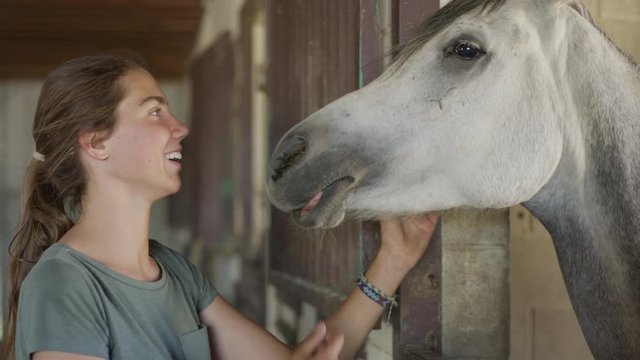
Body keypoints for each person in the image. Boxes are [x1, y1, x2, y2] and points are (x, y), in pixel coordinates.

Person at [0, 54, 439, 360]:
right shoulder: (63, 285)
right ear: (96, 142)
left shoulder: (174, 272)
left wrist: (393, 262)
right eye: (155, 113)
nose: (181, 127)